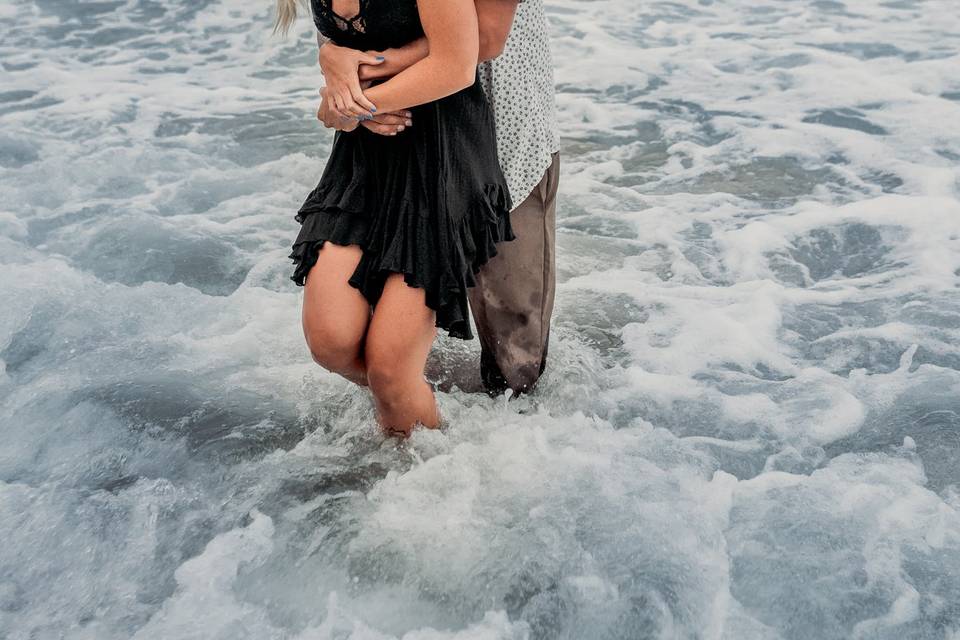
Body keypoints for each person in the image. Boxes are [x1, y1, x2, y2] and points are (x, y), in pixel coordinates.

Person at [275, 0, 517, 435]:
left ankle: (419, 474)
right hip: (364, 160)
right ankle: (418, 407)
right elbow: (345, 47)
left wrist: (352, 106)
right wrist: (331, 60)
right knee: (330, 342)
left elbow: (458, 63)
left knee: (388, 371)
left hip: (441, 157)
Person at [315, 0, 560, 396]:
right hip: (403, 146)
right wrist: (339, 65)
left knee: (514, 362)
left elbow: (484, 37)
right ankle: (416, 419)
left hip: (503, 147)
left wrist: (354, 76)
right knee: (385, 344)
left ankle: (499, 449)